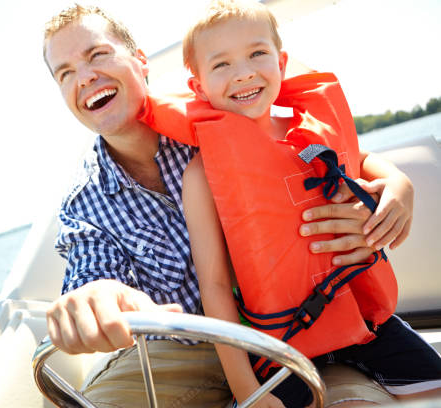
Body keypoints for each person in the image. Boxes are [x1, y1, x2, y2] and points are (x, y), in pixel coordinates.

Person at [42, 4, 418, 407]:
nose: (85, 78)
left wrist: (395, 184)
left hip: (298, 328)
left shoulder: (227, 110)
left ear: (140, 61)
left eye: (97, 55)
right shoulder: (84, 202)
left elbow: (330, 156)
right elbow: (91, 274)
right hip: (182, 350)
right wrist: (95, 294)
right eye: (65, 73)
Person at [137, 1, 441, 407]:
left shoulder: (308, 129)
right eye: (221, 64)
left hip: (363, 322)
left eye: (257, 53)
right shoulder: (201, 173)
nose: (244, 72)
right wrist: (247, 390)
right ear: (199, 87)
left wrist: (399, 184)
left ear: (280, 63)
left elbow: (360, 160)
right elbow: (212, 285)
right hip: (280, 345)